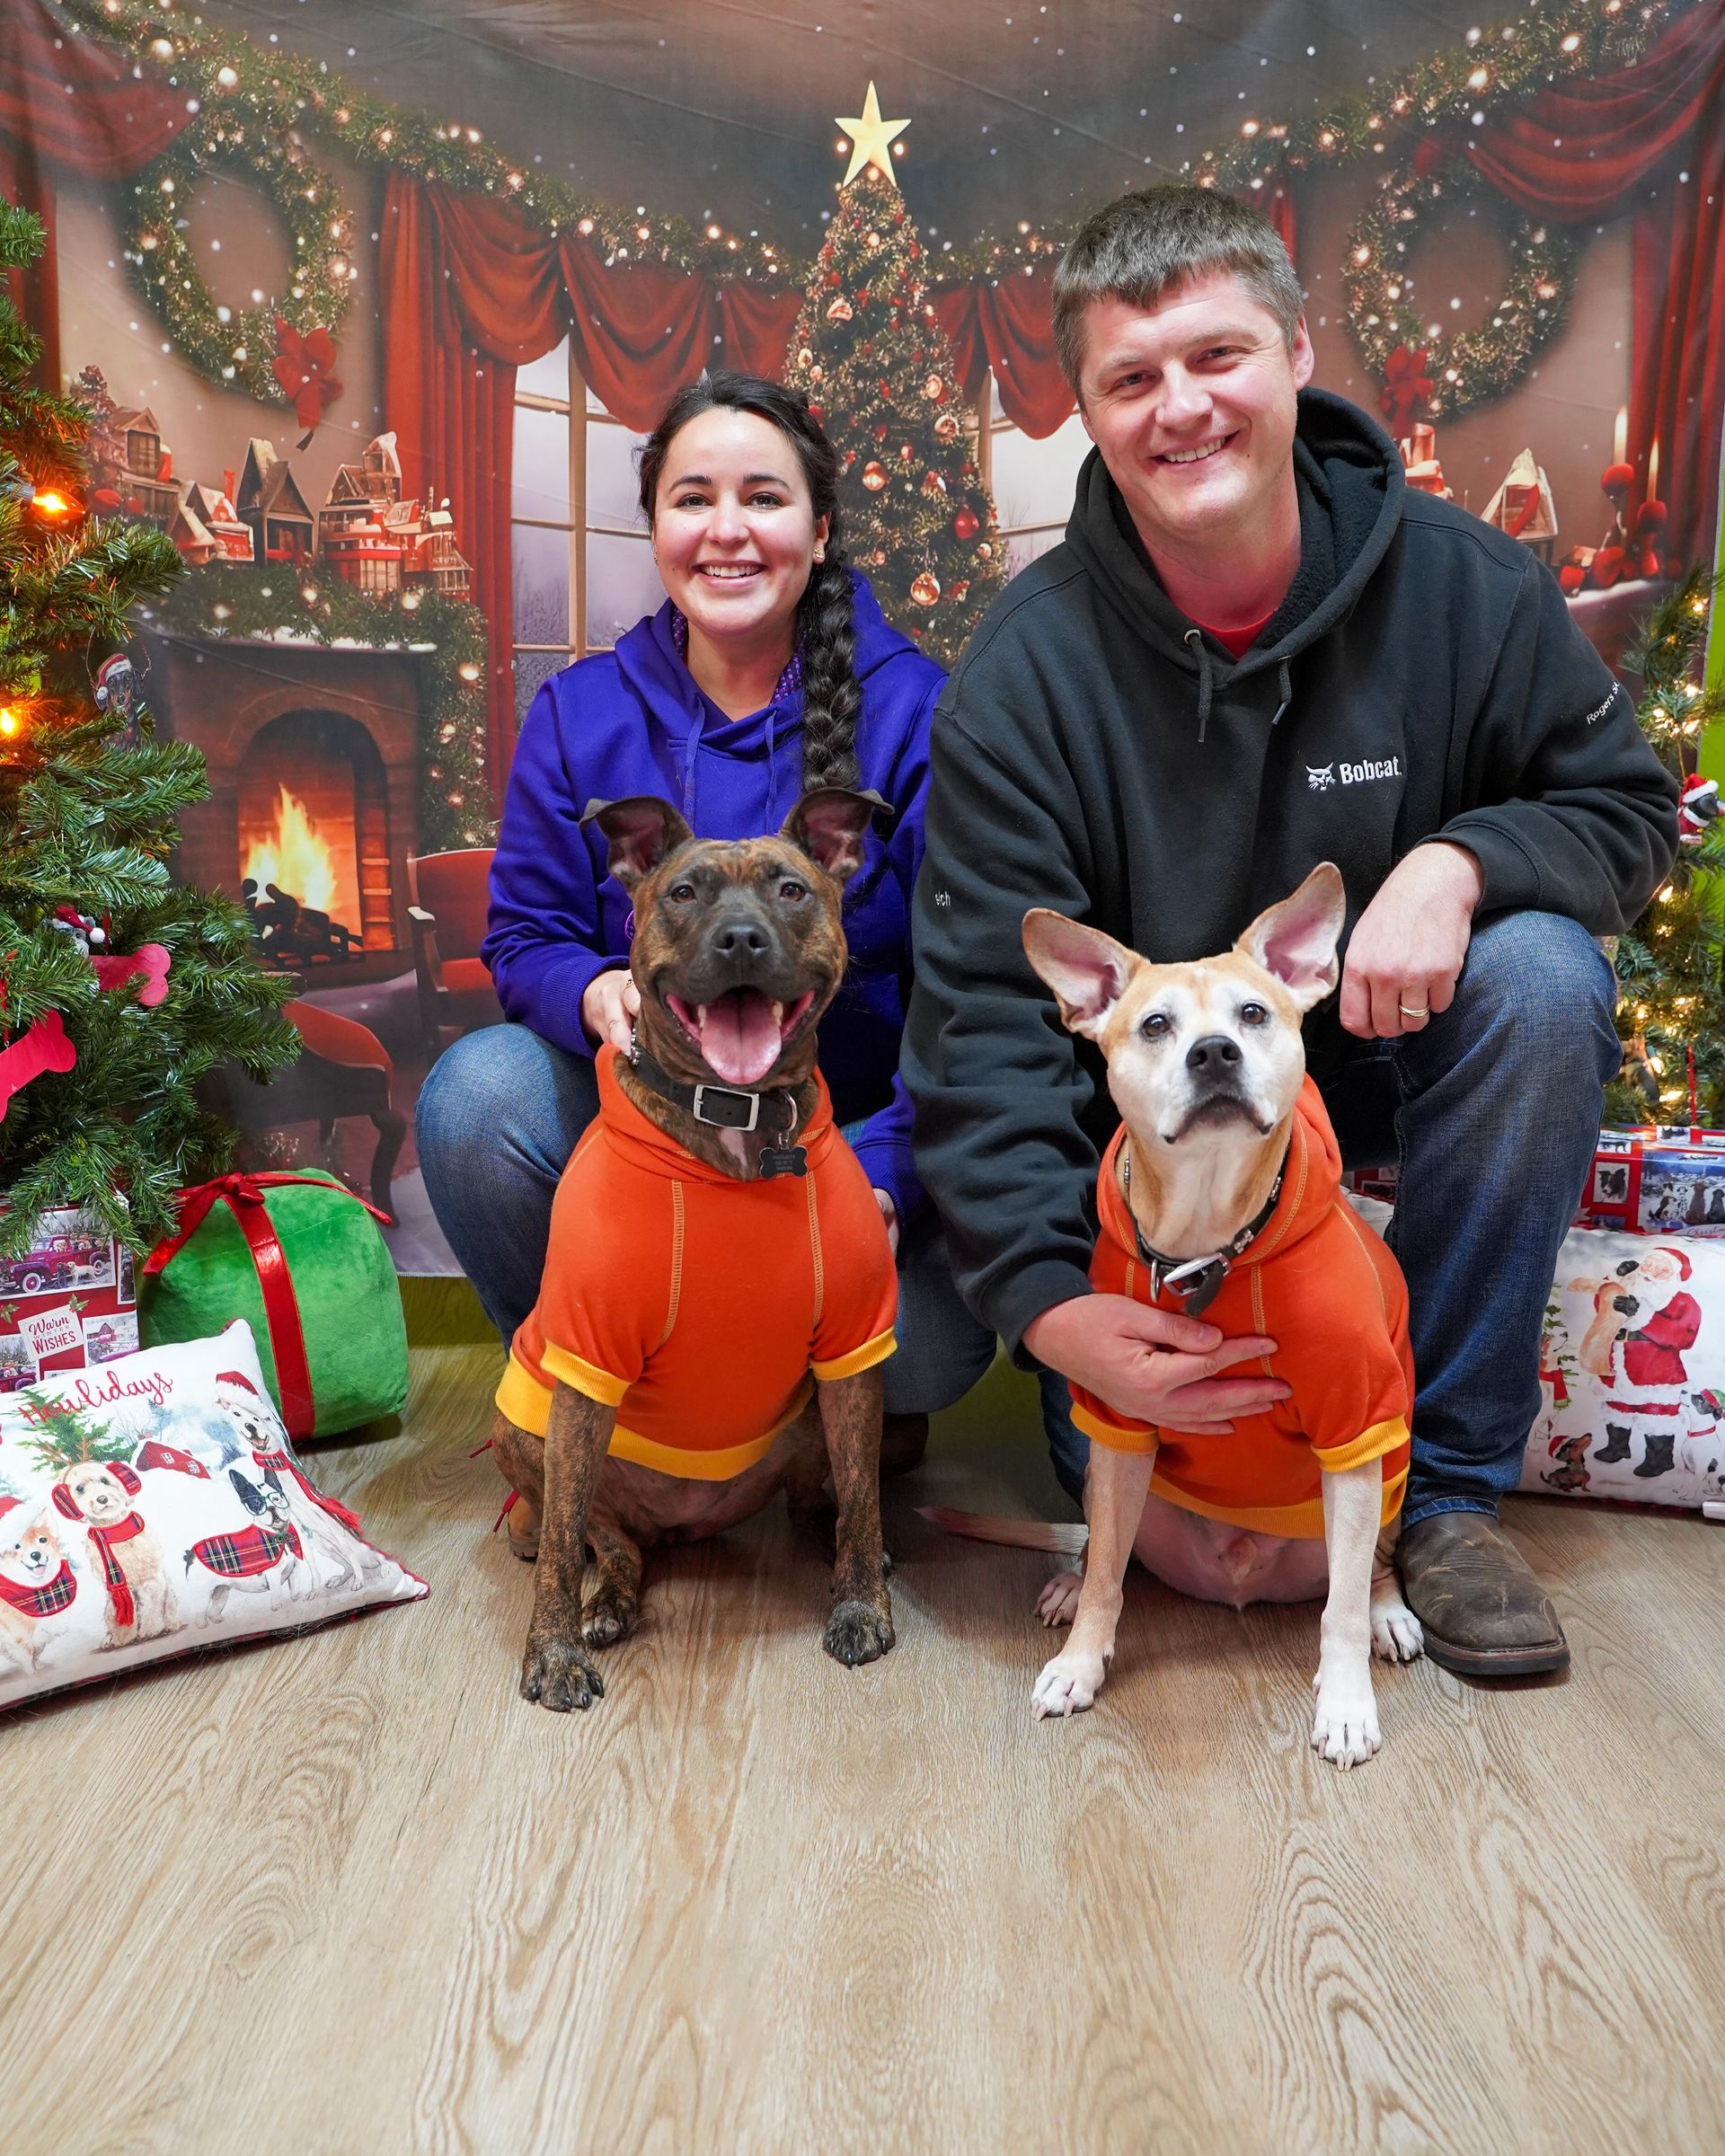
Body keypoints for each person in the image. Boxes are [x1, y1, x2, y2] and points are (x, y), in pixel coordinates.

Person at [902, 184, 1677, 1677]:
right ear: (1086, 410)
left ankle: (1442, 1490)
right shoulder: (1024, 673)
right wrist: (1054, 1311)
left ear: (1298, 351)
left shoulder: (1471, 586)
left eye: (1217, 356)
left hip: (1389, 1055)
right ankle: (1134, 1434)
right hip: (1150, 1179)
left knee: (1541, 971)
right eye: (1132, 378)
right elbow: (987, 1021)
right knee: (1190, 1547)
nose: (1180, 408)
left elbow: (1626, 811)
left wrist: (1462, 860)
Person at [418, 370, 979, 1463]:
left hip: (837, 1156)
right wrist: (594, 989)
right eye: (693, 498)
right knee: (476, 1096)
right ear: (657, 527)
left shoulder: (914, 708)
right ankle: (598, 1444)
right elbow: (524, 935)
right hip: (646, 1149)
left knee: (930, 1349)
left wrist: (883, 1178)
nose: (728, 531)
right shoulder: (581, 712)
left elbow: (970, 990)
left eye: (765, 499)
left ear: (820, 531)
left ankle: (819, 1439)